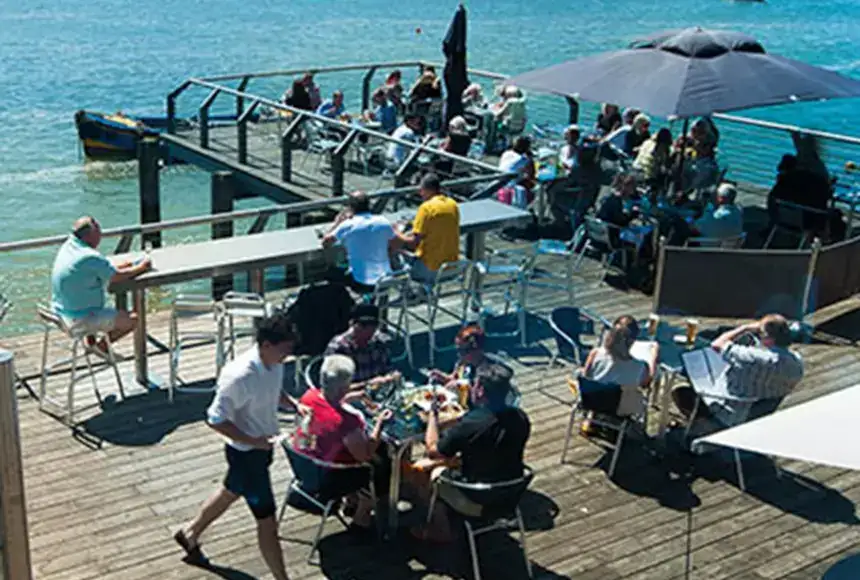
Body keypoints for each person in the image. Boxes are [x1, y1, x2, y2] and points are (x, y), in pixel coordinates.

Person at [174, 312, 297, 579]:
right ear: (266, 345)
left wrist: (293, 404)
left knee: (231, 490)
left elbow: (273, 390)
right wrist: (255, 442)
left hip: (262, 450)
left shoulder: (275, 363)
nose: (287, 357)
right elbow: (214, 419)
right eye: (284, 351)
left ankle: (190, 533)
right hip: (247, 455)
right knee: (267, 522)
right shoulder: (239, 376)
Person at [411, 363, 530, 542]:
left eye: (474, 384)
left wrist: (433, 415)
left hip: (477, 497)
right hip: (510, 494)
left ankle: (440, 528)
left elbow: (432, 450)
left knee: (422, 470)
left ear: (480, 390)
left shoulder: (471, 426)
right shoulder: (521, 418)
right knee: (453, 461)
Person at [293, 354, 394, 528]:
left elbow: (327, 401)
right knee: (383, 460)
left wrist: (350, 397)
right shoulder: (346, 422)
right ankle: (362, 516)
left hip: (309, 465)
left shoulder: (309, 396)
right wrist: (380, 423)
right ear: (342, 388)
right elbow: (365, 453)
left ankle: (351, 502)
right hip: (332, 477)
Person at [672, 314, 804, 428]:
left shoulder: (751, 357)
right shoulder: (797, 363)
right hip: (758, 412)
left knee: (681, 392)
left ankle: (704, 424)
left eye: (760, 333)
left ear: (769, 339)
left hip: (730, 412)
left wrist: (744, 328)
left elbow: (717, 344)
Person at [50, 216, 150, 351]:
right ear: (88, 236)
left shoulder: (69, 246)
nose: (100, 237)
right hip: (78, 319)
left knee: (92, 302)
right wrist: (142, 267)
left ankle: (90, 343)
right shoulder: (89, 255)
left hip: (60, 314)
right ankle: (100, 349)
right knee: (132, 319)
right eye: (98, 233)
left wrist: (122, 267)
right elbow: (116, 277)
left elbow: (96, 269)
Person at [581, 316, 658, 421]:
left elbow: (586, 375)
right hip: (621, 408)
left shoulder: (595, 353)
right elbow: (646, 383)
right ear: (632, 341)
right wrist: (653, 359)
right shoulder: (639, 366)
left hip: (592, 401)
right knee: (640, 397)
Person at [322, 190, 399, 292]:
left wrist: (337, 223)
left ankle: (343, 302)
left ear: (350, 208)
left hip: (361, 282)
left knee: (330, 273)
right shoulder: (383, 221)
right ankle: (378, 303)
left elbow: (326, 243)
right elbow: (395, 243)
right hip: (385, 279)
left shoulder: (348, 225)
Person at [396, 173, 460, 284]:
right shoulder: (453, 204)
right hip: (451, 268)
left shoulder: (426, 208)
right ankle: (424, 293)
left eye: (421, 190)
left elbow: (413, 243)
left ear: (427, 190)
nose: (420, 193)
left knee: (394, 252)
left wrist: (397, 233)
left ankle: (408, 294)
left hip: (430, 269)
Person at [325, 304, 399, 386]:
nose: (367, 332)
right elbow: (333, 388)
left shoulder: (379, 341)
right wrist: (367, 384)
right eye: (363, 326)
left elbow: (388, 369)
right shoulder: (338, 347)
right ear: (352, 324)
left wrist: (392, 376)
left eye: (372, 327)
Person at [428, 325, 491, 390]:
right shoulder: (462, 362)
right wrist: (442, 377)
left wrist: (459, 384)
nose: (459, 354)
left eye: (463, 351)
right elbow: (453, 378)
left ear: (477, 350)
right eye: (458, 350)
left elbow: (478, 394)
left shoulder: (486, 372)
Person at [496, 136, 536, 209]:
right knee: (531, 190)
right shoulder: (524, 159)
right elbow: (531, 174)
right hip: (510, 186)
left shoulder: (506, 153)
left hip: (498, 182)